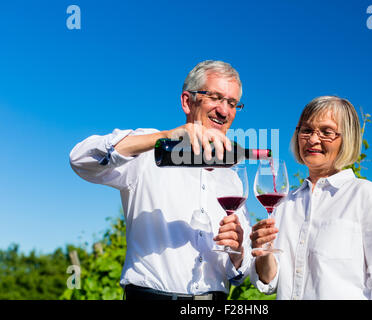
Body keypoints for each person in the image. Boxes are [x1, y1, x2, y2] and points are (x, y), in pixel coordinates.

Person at [69, 60, 252, 300]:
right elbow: (81, 159)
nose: (224, 111)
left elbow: (240, 272)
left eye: (231, 103)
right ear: (187, 101)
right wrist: (165, 137)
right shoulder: (148, 151)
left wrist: (237, 252)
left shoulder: (233, 178)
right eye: (215, 97)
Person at [250, 96, 372, 300]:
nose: (313, 140)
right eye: (306, 130)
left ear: (347, 138)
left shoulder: (369, 199)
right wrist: (264, 252)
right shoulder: (284, 205)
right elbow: (269, 283)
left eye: (327, 132)